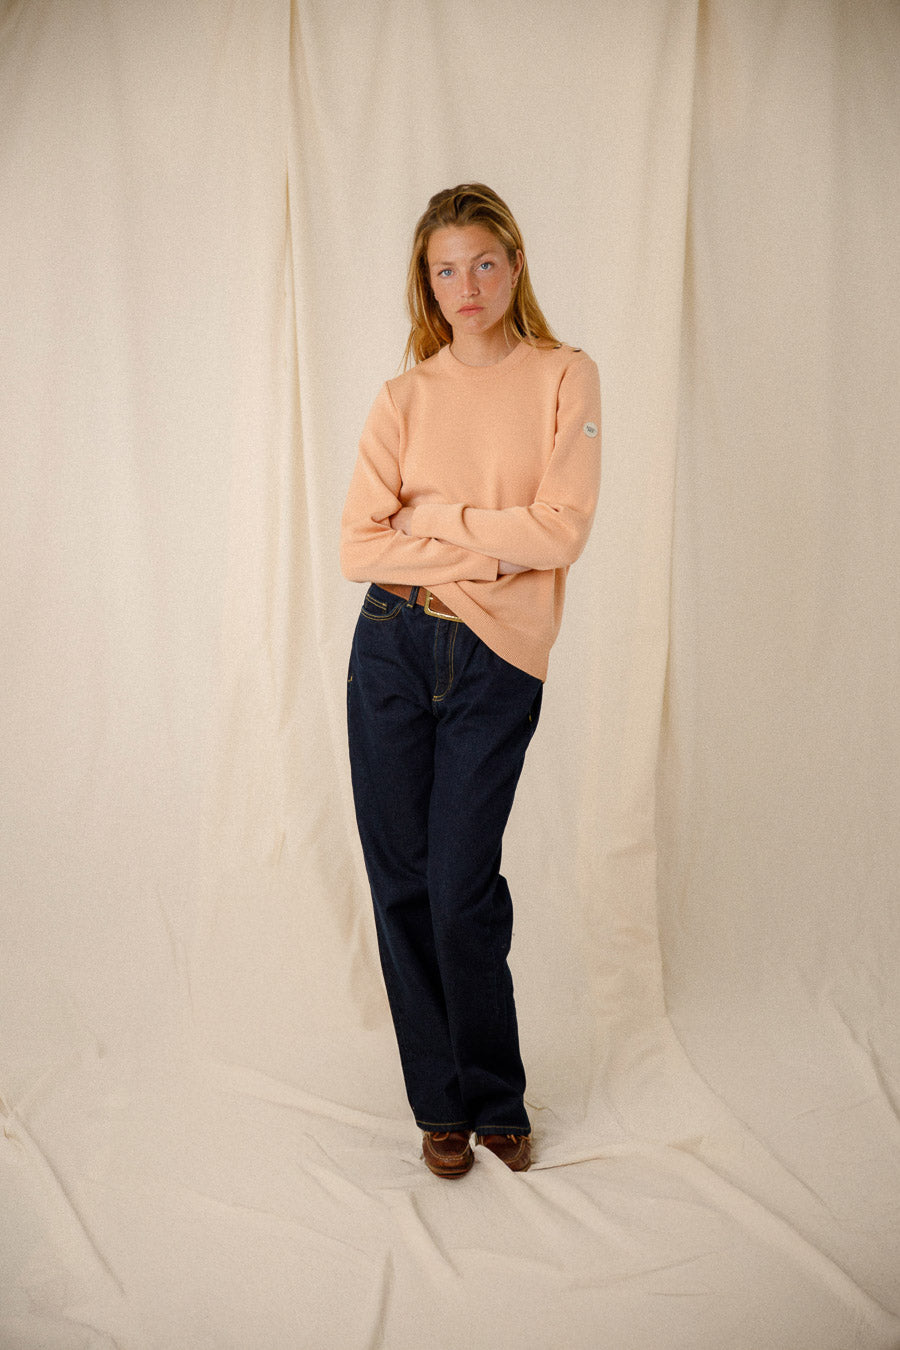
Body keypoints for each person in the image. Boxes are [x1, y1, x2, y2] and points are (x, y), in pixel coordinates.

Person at [340, 183, 601, 1178]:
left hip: (498, 661)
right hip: (391, 646)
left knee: (459, 887)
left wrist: (436, 522)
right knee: (402, 884)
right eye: (446, 270)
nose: (468, 286)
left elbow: (560, 531)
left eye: (484, 263)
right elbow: (358, 546)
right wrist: (494, 548)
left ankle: (497, 1095)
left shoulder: (565, 376)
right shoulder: (404, 397)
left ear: (515, 264)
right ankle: (440, 1105)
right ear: (428, 281)